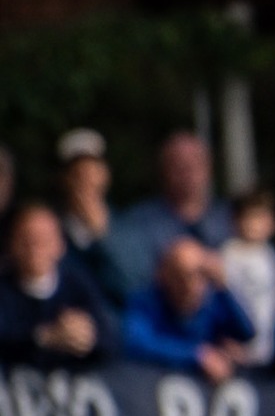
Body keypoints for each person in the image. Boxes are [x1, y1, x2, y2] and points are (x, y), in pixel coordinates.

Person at [105, 132, 234, 301]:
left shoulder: (231, 219)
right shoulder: (137, 223)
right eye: (178, 164)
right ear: (163, 170)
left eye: (195, 163)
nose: (188, 172)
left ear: (209, 168)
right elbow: (127, 282)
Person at [121, 237, 254, 382]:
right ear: (165, 275)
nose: (192, 286)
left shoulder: (212, 302)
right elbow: (135, 342)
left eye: (201, 275)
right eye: (184, 275)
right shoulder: (145, 302)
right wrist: (197, 355)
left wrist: (223, 288)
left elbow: (247, 333)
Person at [0, 202, 115, 366]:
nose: (35, 248)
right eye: (26, 239)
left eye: (44, 240)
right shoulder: (4, 290)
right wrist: (43, 338)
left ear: (60, 245)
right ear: (10, 244)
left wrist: (86, 338)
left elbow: (109, 338)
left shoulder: (77, 284)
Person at [54, 128, 121, 301]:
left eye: (91, 173)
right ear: (64, 180)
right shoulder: (52, 228)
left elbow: (129, 285)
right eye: (78, 175)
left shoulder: (126, 226)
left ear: (105, 176)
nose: (86, 183)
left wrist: (103, 238)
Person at [221, 190, 275, 367]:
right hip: (236, 350)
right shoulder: (229, 254)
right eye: (250, 217)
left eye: (261, 218)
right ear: (235, 221)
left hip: (266, 350)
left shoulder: (271, 255)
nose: (255, 224)